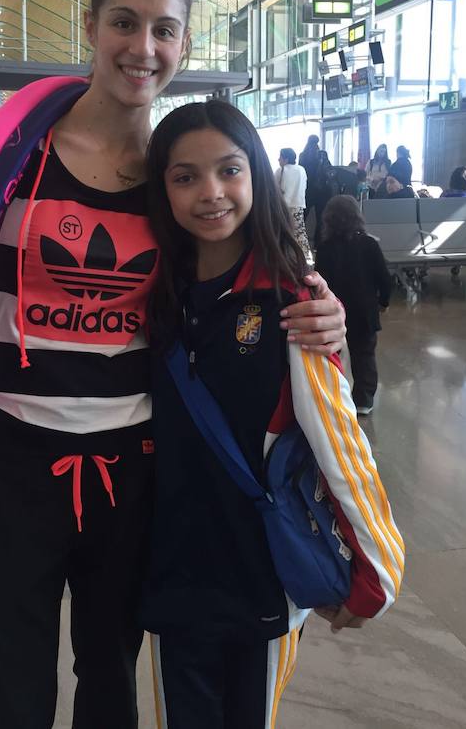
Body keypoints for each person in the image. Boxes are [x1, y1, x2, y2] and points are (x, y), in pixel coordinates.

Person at [0, 0, 347, 729]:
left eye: (164, 29)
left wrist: (318, 305)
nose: (142, 47)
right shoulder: (7, 150)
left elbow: (249, 278)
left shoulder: (174, 177)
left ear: (183, 45)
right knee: (12, 680)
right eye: (124, 23)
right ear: (90, 27)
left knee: (112, 679)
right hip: (8, 464)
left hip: (134, 470)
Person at [141, 101, 404, 727]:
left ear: (257, 175)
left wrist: (375, 576)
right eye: (185, 177)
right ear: (164, 189)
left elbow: (341, 445)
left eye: (229, 170)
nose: (211, 193)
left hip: (258, 573)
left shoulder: (293, 300)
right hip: (169, 568)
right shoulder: (157, 293)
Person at [315, 195, 392, 415]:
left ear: (328, 220)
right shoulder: (369, 244)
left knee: (333, 353)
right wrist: (383, 301)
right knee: (364, 355)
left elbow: (320, 282)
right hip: (364, 310)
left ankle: (334, 395)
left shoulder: (325, 247)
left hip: (334, 311)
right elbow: (384, 278)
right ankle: (363, 400)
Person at [274, 147, 311, 260]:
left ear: (286, 159)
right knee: (300, 233)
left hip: (283, 206)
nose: (278, 159)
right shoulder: (301, 169)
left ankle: (283, 255)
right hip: (298, 205)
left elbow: (274, 188)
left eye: (280, 157)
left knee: (281, 231)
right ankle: (306, 258)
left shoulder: (281, 170)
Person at [298, 133, 320, 210]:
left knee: (305, 213)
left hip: (306, 187)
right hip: (318, 188)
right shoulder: (320, 155)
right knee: (319, 215)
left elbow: (300, 171)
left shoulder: (302, 155)